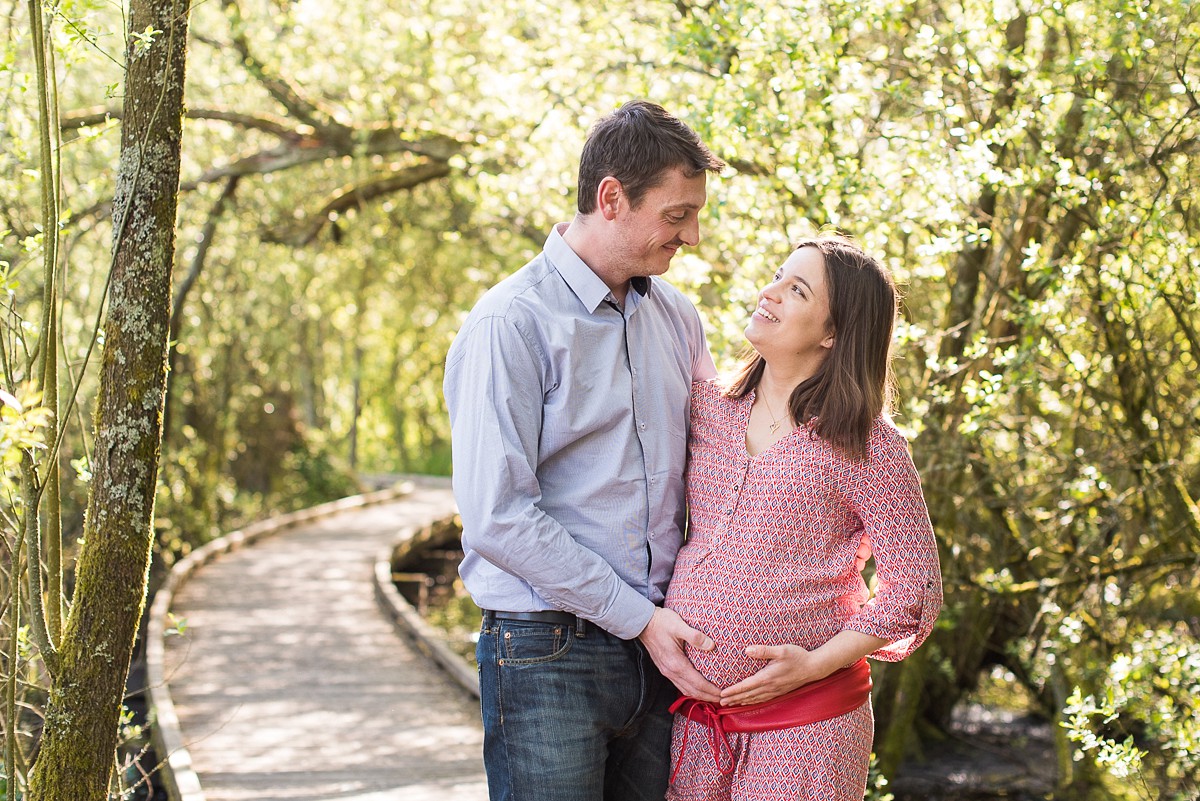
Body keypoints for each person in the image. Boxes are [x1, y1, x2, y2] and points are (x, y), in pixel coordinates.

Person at [442, 100, 726, 801]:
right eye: (676, 214)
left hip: (664, 648)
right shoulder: (510, 323)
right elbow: (499, 516)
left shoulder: (678, 318)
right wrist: (641, 620)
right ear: (610, 199)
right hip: (546, 651)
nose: (692, 235)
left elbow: (723, 465)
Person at [663, 234, 943, 801]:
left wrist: (814, 664)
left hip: (808, 728)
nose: (769, 294)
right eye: (777, 276)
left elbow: (912, 588)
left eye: (797, 290)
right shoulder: (707, 407)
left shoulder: (867, 445)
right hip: (696, 721)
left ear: (834, 332)